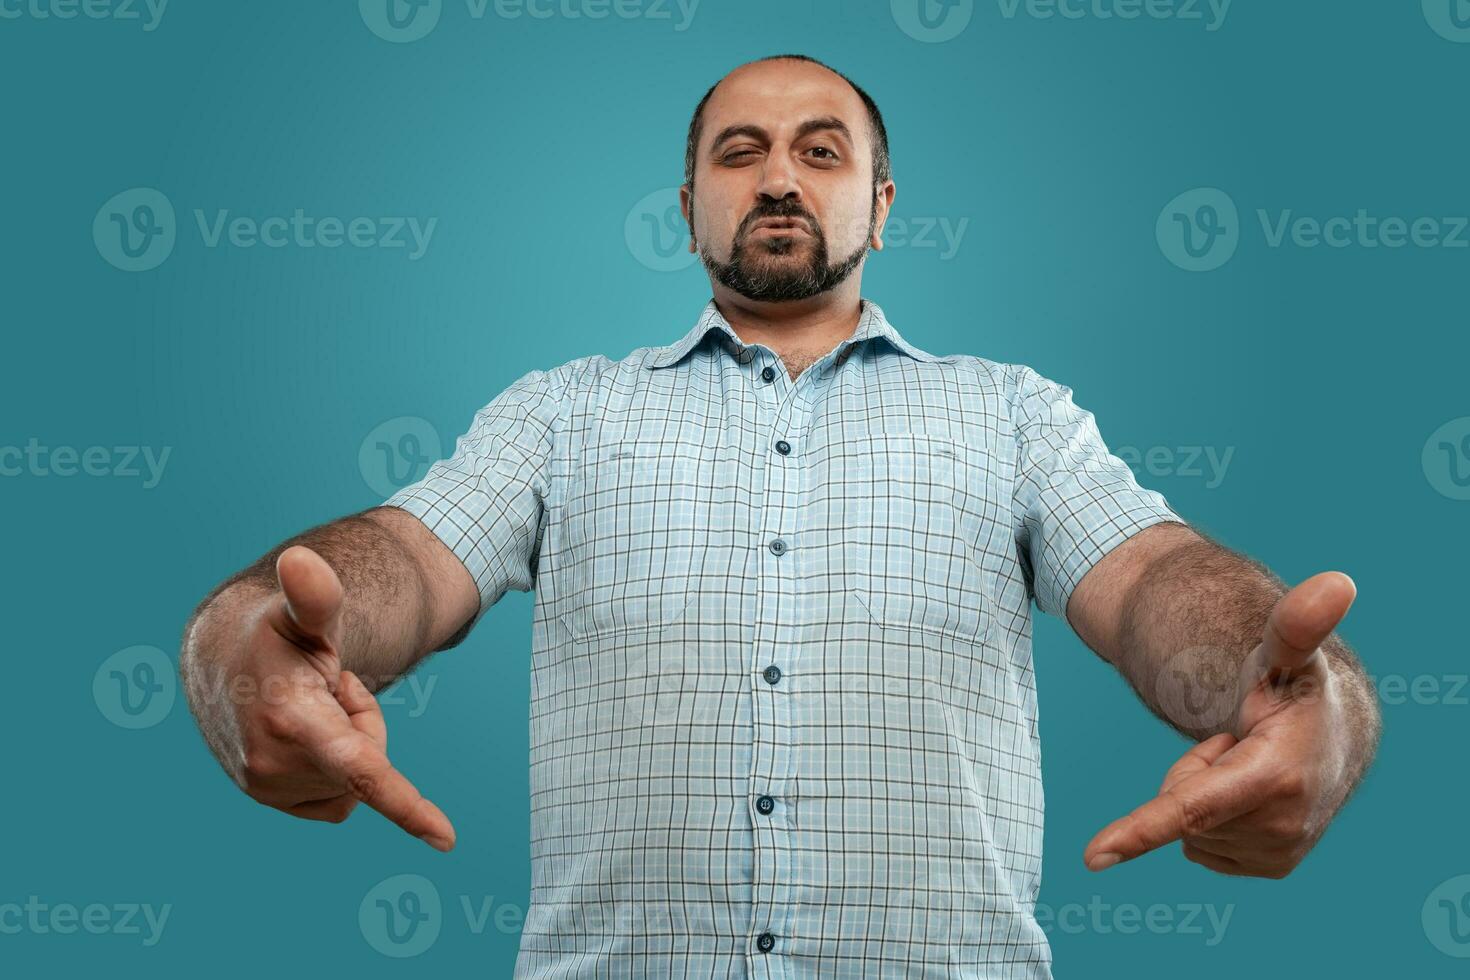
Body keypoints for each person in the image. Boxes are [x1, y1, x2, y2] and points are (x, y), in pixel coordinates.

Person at [178, 53, 1381, 978]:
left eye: (822, 149)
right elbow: (404, 558)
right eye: (740, 151)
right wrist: (247, 635)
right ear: (688, 204)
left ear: (883, 199)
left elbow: (1153, 583)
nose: (779, 177)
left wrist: (1281, 688)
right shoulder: (563, 413)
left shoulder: (1010, 412)